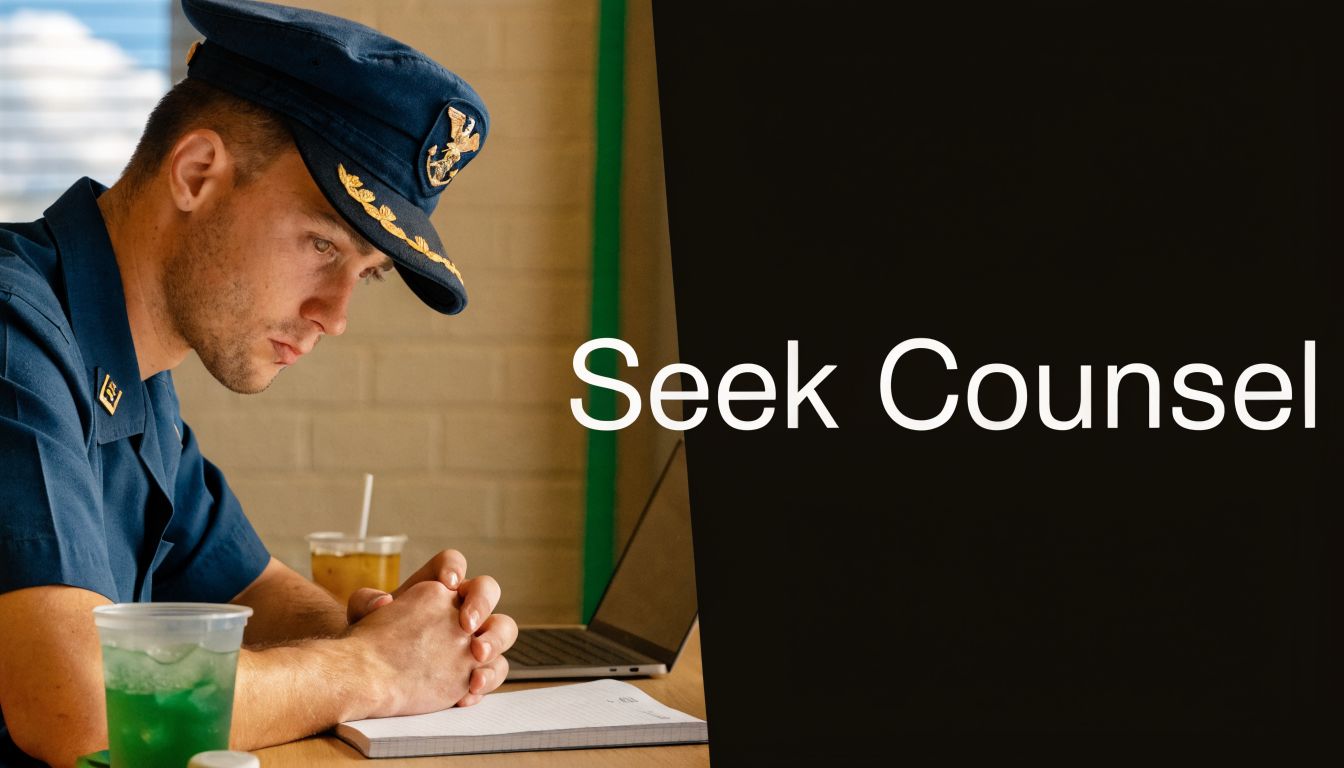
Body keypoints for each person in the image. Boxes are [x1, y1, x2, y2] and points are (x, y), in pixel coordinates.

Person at [0, 1, 518, 764]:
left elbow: (254, 592)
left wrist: (391, 628)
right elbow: (78, 706)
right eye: (321, 243)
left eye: (365, 277)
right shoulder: (15, 331)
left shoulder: (137, 379)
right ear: (197, 173)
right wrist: (371, 668)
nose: (335, 316)